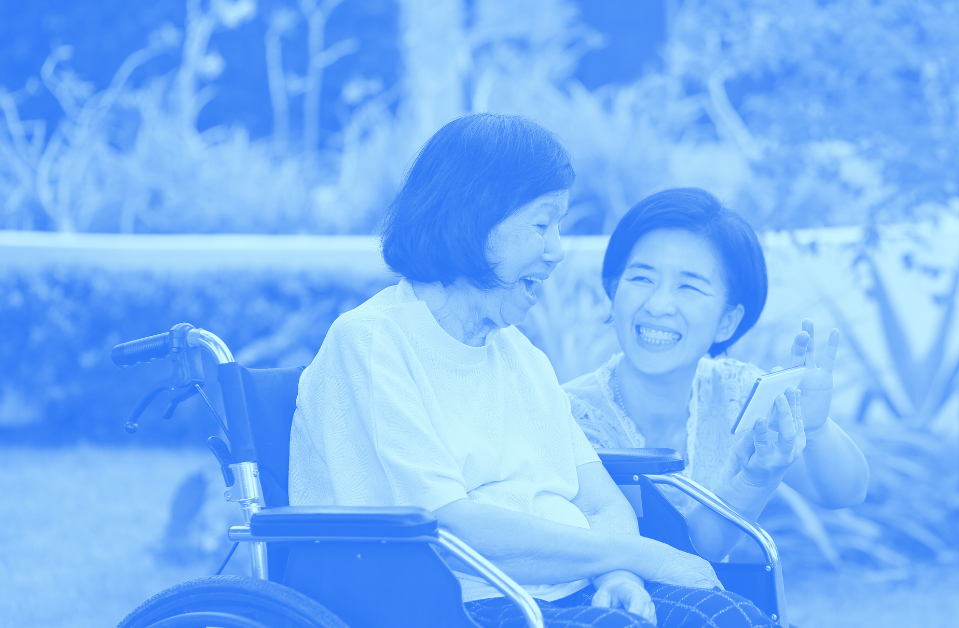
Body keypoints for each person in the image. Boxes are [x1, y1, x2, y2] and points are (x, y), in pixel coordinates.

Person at [289, 115, 777, 628]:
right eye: (542, 224)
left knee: (731, 616)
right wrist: (641, 557)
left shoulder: (518, 354)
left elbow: (600, 499)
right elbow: (452, 526)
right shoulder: (373, 341)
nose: (557, 250)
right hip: (457, 601)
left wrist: (618, 576)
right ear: (474, 222)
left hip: (567, 589)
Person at [564, 188, 870, 562]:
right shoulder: (566, 415)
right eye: (642, 278)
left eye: (689, 286)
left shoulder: (738, 393)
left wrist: (817, 427)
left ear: (727, 321)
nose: (659, 305)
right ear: (614, 290)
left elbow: (845, 493)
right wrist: (750, 483)